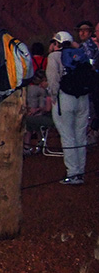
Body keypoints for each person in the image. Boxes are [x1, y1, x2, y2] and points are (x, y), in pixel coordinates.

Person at [47, 31, 89, 184]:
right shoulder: (80, 55)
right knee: (80, 136)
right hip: (83, 99)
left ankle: (72, 173)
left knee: (68, 136)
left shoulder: (54, 57)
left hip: (64, 99)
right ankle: (80, 172)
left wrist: (53, 96)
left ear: (57, 43)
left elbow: (53, 81)